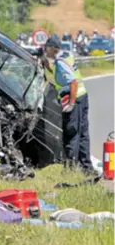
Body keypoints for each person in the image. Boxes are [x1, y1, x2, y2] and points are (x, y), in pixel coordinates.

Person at [42, 36, 97, 176]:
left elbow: (73, 82)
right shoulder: (65, 55)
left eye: (46, 48)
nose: (45, 50)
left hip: (75, 100)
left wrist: (71, 104)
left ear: (52, 49)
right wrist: (46, 65)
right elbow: (59, 74)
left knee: (72, 133)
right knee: (83, 133)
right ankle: (87, 167)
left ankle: (71, 170)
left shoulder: (60, 62)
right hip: (82, 97)